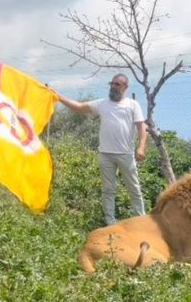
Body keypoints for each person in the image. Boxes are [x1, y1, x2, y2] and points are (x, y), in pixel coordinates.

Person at [55, 73, 147, 226]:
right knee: (108, 190)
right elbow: (79, 107)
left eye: (117, 84)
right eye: (112, 84)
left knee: (134, 188)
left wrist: (141, 147)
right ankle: (110, 222)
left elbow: (141, 127)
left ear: (125, 87)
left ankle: (140, 220)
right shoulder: (102, 103)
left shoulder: (132, 105)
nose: (113, 87)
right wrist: (58, 97)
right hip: (106, 154)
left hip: (126, 154)